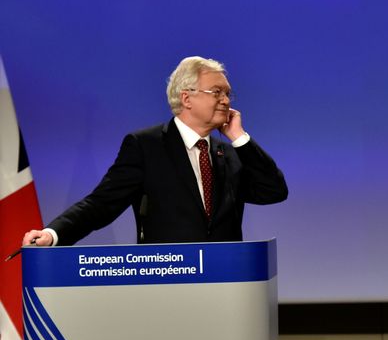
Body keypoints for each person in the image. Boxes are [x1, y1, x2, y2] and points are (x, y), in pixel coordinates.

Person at [22, 56, 288, 246]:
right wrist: (53, 234)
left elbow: (273, 191)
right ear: (187, 98)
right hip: (166, 281)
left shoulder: (228, 153)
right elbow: (102, 204)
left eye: (228, 93)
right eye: (216, 91)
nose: (226, 100)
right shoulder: (145, 146)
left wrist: (239, 138)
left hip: (226, 282)